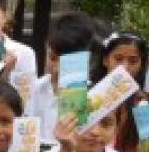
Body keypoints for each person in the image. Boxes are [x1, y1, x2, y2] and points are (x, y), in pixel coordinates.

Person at [26, 12, 98, 141]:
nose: (57, 69)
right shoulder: (34, 89)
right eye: (53, 58)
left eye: (67, 62)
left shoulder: (95, 95)